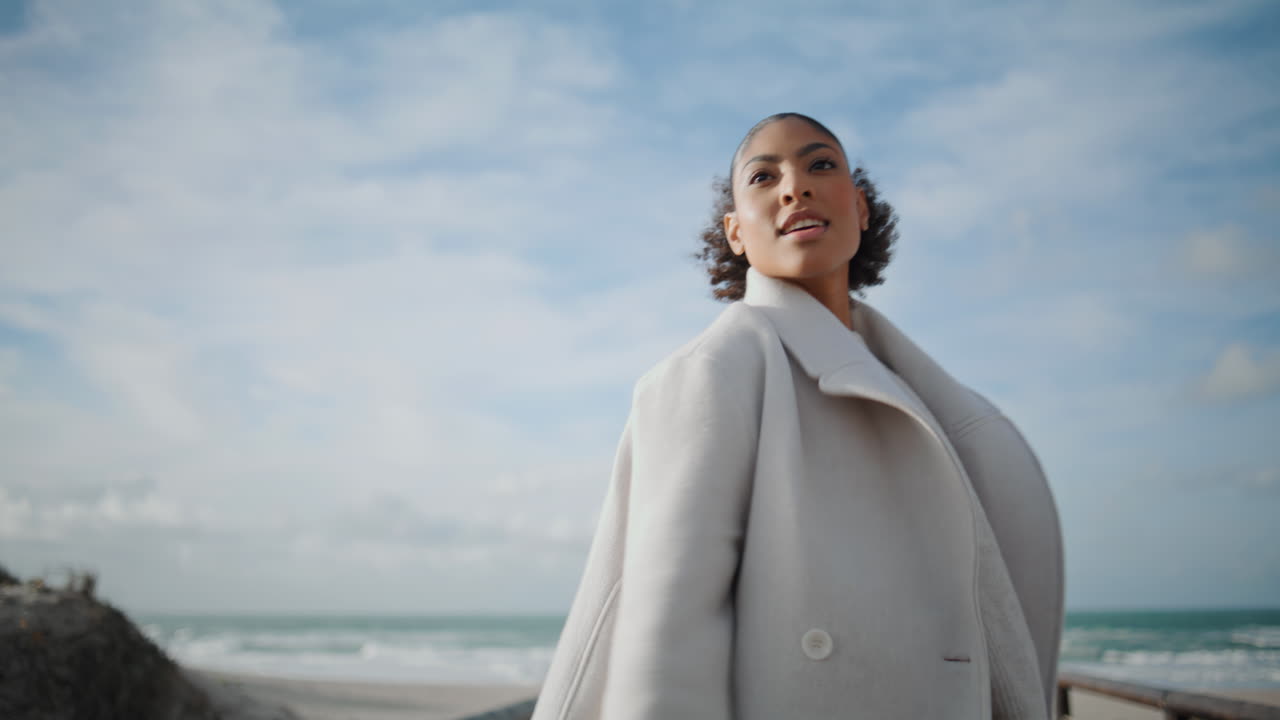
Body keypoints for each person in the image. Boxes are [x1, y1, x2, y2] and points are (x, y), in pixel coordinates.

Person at [531, 113, 1063, 720]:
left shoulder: (926, 398)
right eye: (763, 176)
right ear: (735, 232)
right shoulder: (715, 369)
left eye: (820, 165)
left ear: (860, 207)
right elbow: (667, 637)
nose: (794, 187)